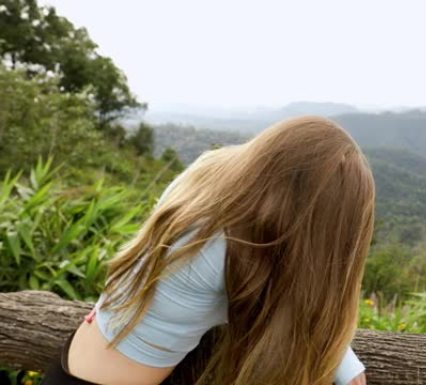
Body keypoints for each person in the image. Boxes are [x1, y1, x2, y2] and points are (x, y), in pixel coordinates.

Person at [42, 116, 375, 385]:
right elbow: (300, 313)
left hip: (75, 357)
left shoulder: (207, 179)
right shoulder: (224, 249)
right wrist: (344, 365)